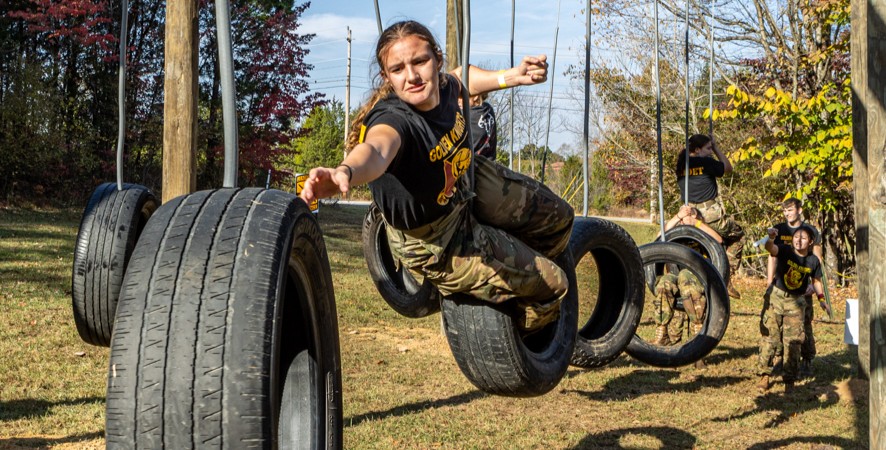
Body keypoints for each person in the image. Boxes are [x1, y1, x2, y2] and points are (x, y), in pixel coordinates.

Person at [298, 20, 573, 332]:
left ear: (437, 59)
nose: (412, 76)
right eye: (398, 69)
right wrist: (345, 171)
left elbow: (461, 77)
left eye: (420, 61)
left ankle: (518, 263)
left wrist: (510, 77)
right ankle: (526, 336)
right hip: (436, 239)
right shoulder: (394, 120)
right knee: (555, 284)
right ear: (387, 77)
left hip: (463, 184)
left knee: (562, 217)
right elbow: (376, 149)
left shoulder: (443, 87)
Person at [765, 197, 830, 378]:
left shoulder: (810, 231)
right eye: (784, 211)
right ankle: (780, 360)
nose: (787, 214)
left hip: (804, 286)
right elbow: (772, 255)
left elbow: (817, 259)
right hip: (781, 285)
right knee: (775, 324)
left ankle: (807, 359)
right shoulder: (779, 229)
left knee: (804, 324)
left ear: (799, 210)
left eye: (790, 210)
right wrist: (769, 279)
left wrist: (812, 285)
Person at [756, 225, 825, 393]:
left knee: (793, 342)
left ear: (810, 242)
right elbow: (770, 248)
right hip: (776, 298)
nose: (798, 240)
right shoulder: (786, 250)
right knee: (770, 338)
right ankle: (764, 375)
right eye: (796, 237)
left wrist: (821, 299)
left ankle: (789, 381)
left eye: (802, 238)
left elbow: (816, 281)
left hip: (796, 302)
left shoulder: (813, 261)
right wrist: (771, 238)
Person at [676, 134, 745, 299]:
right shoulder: (706, 163)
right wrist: (716, 147)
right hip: (709, 214)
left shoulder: (680, 164)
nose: (710, 152)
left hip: (688, 213)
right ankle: (726, 276)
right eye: (707, 149)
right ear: (698, 149)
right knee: (737, 235)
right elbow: (728, 168)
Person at [652, 205, 721, 368]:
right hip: (674, 277)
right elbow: (658, 237)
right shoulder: (674, 234)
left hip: (694, 279)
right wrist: (677, 217)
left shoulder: (702, 234)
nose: (686, 221)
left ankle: (698, 351)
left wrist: (696, 224)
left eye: (690, 217)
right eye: (683, 218)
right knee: (664, 284)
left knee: (686, 281)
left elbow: (718, 240)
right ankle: (662, 333)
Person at [467, 93, 497, 160]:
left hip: (472, 166)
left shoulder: (469, 115)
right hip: (488, 165)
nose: (457, 100)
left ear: (475, 96)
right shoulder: (488, 109)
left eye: (460, 96)